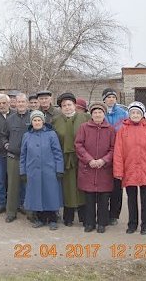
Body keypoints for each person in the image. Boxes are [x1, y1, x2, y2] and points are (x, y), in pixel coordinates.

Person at [113, 102, 146, 235]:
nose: (135, 115)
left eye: (138, 113)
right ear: (129, 115)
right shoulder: (122, 130)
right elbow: (118, 152)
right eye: (133, 113)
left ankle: (145, 225)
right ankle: (132, 224)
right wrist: (118, 171)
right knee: (131, 199)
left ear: (142, 115)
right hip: (129, 170)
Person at [75, 102, 115, 233]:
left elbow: (113, 148)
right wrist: (89, 160)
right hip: (88, 168)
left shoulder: (110, 129)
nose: (98, 115)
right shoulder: (84, 127)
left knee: (104, 198)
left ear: (104, 114)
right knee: (89, 197)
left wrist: (104, 160)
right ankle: (89, 222)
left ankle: (102, 223)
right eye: (95, 112)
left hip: (104, 169)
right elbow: (79, 145)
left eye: (100, 112)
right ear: (91, 114)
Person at [20, 110, 64, 230]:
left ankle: (53, 219)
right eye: (35, 120)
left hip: (49, 170)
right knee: (36, 195)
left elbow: (57, 153)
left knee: (50, 194)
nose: (37, 122)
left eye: (39, 120)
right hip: (33, 171)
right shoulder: (27, 136)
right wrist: (22, 171)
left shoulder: (51, 134)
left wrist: (59, 169)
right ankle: (40, 218)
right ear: (31, 122)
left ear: (43, 122)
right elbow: (23, 155)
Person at [52, 92, 89, 226]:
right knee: (67, 187)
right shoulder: (56, 120)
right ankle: (68, 216)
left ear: (74, 105)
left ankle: (84, 216)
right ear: (61, 108)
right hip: (64, 158)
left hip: (81, 158)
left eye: (69, 105)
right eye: (64, 106)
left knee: (82, 187)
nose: (67, 107)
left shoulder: (85, 117)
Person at [102, 88, 128, 226]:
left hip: (119, 154)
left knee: (117, 186)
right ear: (104, 99)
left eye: (113, 97)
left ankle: (114, 215)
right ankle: (103, 213)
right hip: (103, 153)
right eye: (108, 97)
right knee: (104, 186)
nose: (111, 99)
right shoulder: (100, 112)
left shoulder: (124, 114)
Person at [4, 93, 31, 223]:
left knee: (30, 186)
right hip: (13, 157)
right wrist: (6, 144)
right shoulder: (10, 119)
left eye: (23, 102)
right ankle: (11, 212)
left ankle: (31, 212)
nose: (20, 104)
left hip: (30, 158)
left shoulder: (33, 117)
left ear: (27, 103)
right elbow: (3, 135)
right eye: (18, 102)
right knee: (12, 186)